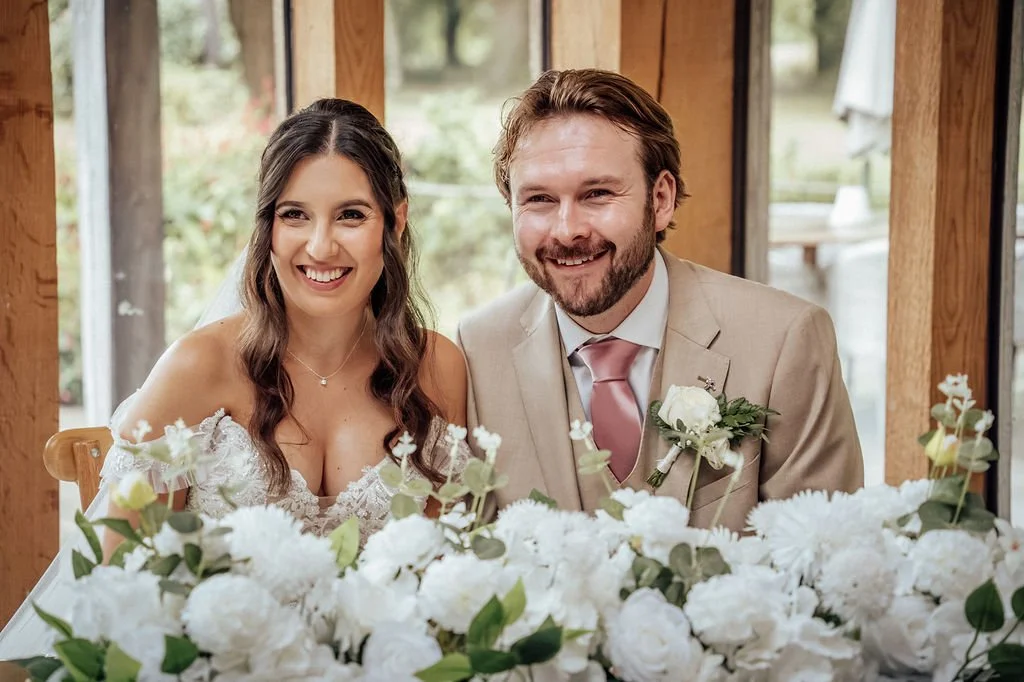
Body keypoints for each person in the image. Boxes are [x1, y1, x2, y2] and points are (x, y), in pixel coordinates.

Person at [0, 98, 469, 658]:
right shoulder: (199, 367)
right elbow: (112, 581)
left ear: (395, 220)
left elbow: (445, 582)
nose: (320, 246)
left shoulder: (436, 368)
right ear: (267, 226)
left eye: (351, 215)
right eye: (295, 215)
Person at [457, 69, 864, 531]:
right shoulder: (474, 351)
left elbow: (823, 558)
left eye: (597, 194)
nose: (567, 229)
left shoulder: (786, 340)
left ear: (662, 199)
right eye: (539, 200)